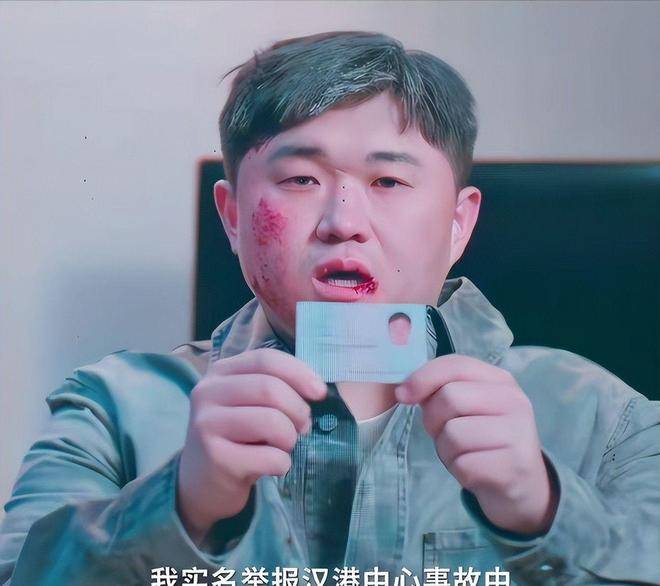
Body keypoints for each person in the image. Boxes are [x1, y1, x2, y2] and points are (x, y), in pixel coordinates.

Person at [1, 31, 659, 586]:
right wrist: (182, 506)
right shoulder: (112, 409)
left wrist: (543, 510)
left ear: (459, 224)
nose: (344, 221)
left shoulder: (606, 418)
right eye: (300, 179)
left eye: (389, 181)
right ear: (232, 217)